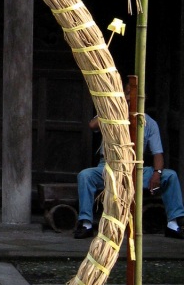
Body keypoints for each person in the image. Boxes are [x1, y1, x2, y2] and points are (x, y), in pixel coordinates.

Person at [75, 90, 184, 240]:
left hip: (135, 169)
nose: (131, 103)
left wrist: (157, 173)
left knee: (170, 176)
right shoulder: (111, 116)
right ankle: (86, 224)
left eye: (135, 101)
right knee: (85, 176)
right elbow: (92, 125)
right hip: (109, 167)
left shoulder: (149, 123)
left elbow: (158, 154)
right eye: (127, 100)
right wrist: (115, 109)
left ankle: (174, 224)